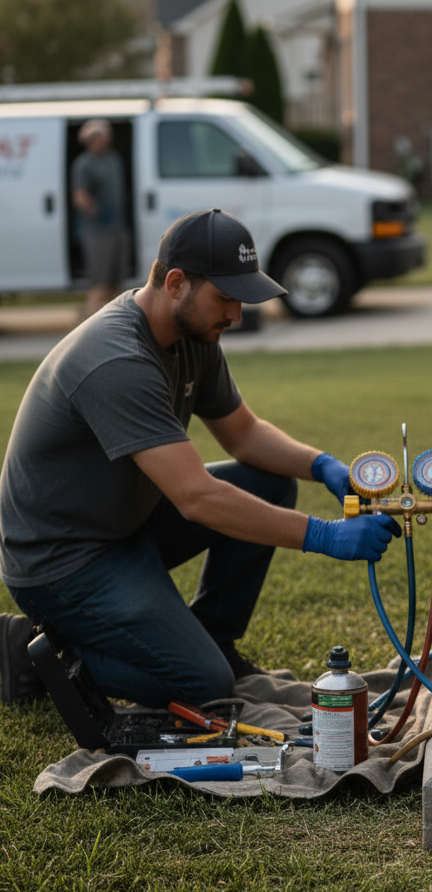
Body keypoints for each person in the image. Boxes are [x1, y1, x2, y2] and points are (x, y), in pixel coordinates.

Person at [0, 208, 399, 707]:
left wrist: (324, 466)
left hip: (127, 525)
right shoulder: (115, 359)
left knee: (270, 482)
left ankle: (214, 639)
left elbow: (244, 434)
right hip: (64, 561)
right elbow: (195, 498)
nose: (236, 315)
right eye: (226, 297)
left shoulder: (194, 334)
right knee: (200, 685)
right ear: (175, 283)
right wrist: (322, 536)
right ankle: (37, 658)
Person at [71, 119, 128, 319]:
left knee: (116, 282)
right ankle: (90, 323)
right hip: (96, 231)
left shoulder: (114, 159)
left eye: (105, 134)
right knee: (99, 282)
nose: (103, 138)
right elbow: (79, 197)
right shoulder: (84, 164)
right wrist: (97, 211)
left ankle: (114, 323)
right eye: (98, 135)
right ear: (88, 139)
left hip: (117, 228)